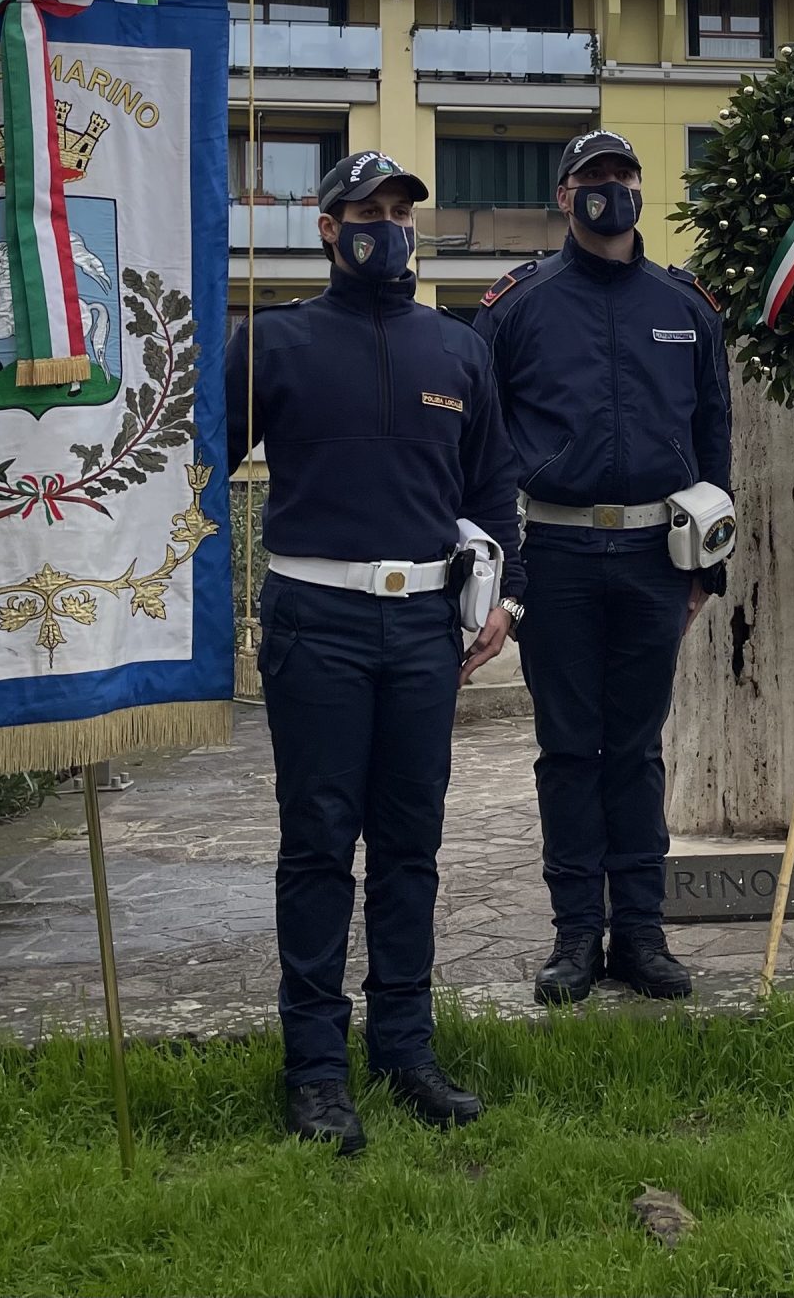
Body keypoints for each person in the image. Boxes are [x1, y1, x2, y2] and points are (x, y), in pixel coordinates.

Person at [226, 150, 523, 1154]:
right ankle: (314, 1069)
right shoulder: (272, 342)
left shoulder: (458, 348)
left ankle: (405, 1047)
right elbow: (188, 462)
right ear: (325, 223)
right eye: (366, 208)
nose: (387, 222)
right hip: (317, 621)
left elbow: (492, 488)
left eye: (400, 210)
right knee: (317, 844)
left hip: (423, 631)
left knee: (410, 846)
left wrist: (501, 597)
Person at [470, 129, 731, 1006]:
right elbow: (486, 448)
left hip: (658, 557)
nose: (608, 188)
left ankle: (643, 935)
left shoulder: (685, 304)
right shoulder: (517, 305)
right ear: (563, 194)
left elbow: (714, 444)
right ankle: (576, 934)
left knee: (636, 748)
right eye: (592, 176)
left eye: (622, 173)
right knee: (566, 749)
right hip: (560, 555)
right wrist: (505, 574)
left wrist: (706, 571)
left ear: (638, 187)